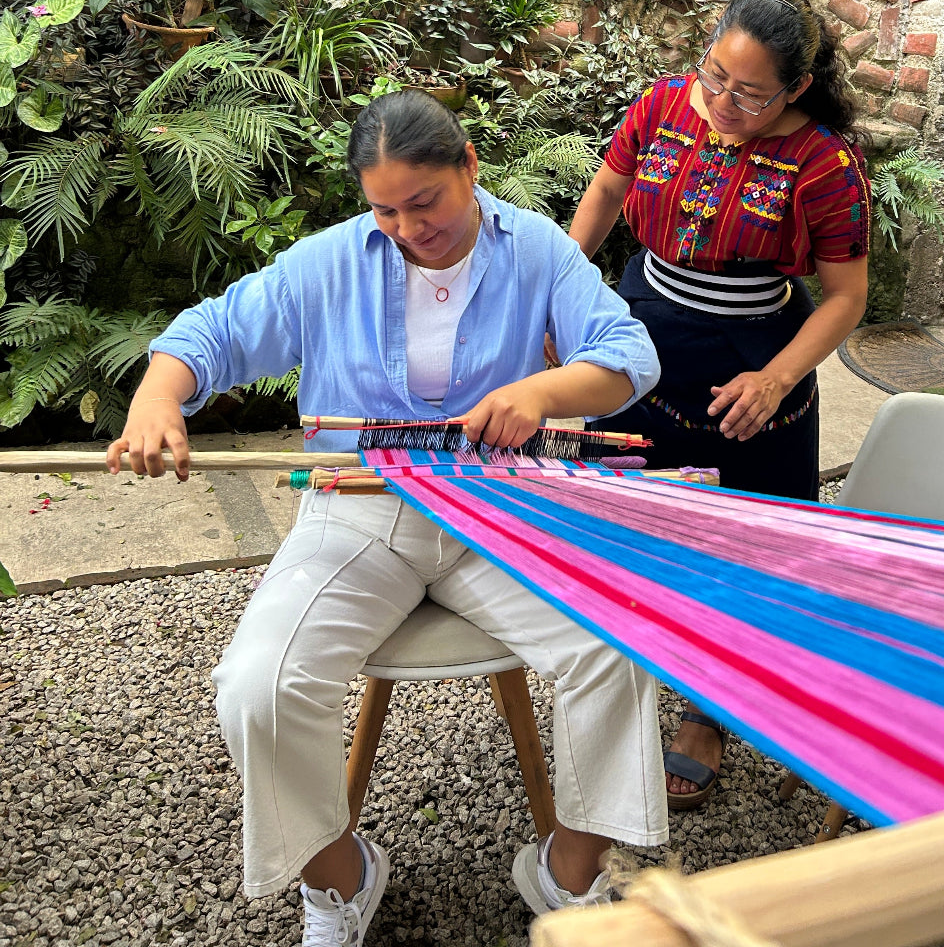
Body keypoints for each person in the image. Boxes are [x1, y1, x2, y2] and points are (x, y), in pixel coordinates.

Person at [106, 89, 667, 946]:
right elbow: (212, 334)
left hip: (505, 507)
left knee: (623, 642)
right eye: (385, 210)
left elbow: (630, 357)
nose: (408, 227)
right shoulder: (330, 260)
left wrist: (538, 393)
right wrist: (158, 397)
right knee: (258, 686)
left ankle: (567, 870)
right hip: (361, 509)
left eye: (426, 203)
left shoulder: (540, 251)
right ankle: (340, 880)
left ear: (469, 166)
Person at [567, 0, 870, 809]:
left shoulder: (825, 165)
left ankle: (709, 710)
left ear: (796, 89)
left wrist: (776, 380)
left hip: (756, 354)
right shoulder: (664, 105)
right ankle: (609, 676)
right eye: (715, 78)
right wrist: (557, 295)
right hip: (644, 332)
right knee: (617, 511)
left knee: (751, 539)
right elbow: (603, 195)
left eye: (750, 94)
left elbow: (846, 296)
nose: (721, 104)